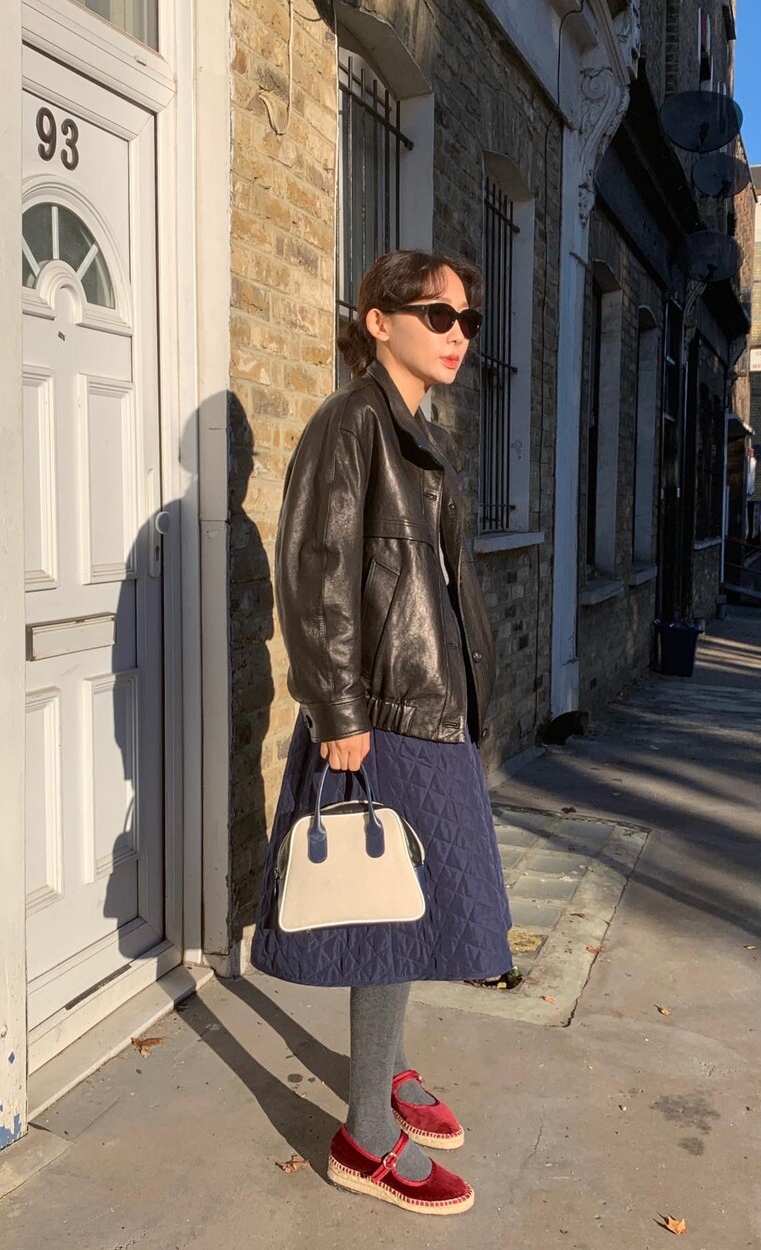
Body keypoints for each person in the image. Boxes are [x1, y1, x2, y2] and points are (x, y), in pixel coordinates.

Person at [251, 251, 512, 1215]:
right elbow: (316, 572)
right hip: (385, 713)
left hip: (432, 702)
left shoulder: (418, 433)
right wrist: (340, 711)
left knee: (422, 900)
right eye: (437, 315)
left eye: (467, 321)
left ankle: (388, 1065)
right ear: (377, 319)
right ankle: (364, 1137)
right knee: (388, 915)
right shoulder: (350, 422)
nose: (457, 334)